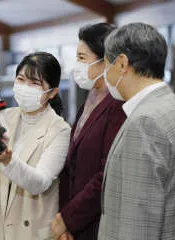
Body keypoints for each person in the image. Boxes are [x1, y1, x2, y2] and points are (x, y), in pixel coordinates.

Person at [98, 23, 175, 240]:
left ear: (122, 63)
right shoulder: (170, 106)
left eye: (107, 65)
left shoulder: (146, 122)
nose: (105, 74)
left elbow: (138, 224)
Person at [0, 52, 71, 240]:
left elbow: (40, 183)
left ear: (52, 92)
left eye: (35, 83)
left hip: (32, 233)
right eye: (20, 79)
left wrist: (9, 161)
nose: (25, 87)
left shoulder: (59, 130)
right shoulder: (3, 118)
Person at [52, 23, 126, 240]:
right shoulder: (89, 102)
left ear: (105, 62)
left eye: (82, 58)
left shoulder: (118, 106)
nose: (77, 65)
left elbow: (106, 175)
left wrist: (68, 218)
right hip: (76, 224)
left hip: (97, 223)